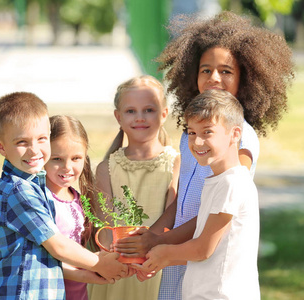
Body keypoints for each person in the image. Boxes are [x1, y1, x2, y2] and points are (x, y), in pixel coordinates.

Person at [114, 11, 294, 299]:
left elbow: (219, 207)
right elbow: (184, 195)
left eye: (226, 71)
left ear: (246, 78)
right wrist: (153, 235)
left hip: (205, 252)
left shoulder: (241, 136)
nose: (214, 77)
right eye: (205, 69)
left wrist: (162, 245)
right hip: (179, 251)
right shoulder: (192, 134)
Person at [0, 92, 128, 299]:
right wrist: (99, 263)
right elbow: (58, 245)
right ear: (1, 147)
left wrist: (98, 272)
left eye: (42, 139)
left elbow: (48, 257)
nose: (34, 150)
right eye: (22, 142)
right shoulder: (18, 190)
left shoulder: (34, 186)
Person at [138, 89, 260, 299]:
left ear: (235, 134)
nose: (197, 142)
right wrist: (158, 260)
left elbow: (202, 249)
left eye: (207, 132)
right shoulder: (218, 181)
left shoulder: (232, 183)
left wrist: (164, 253)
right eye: (192, 132)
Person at [88, 75, 180, 300]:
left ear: (164, 114)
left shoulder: (177, 162)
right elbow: (106, 227)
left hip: (157, 269)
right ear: (118, 117)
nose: (140, 118)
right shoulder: (106, 168)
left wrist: (148, 260)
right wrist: (123, 261)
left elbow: (173, 220)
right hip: (118, 270)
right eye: (131, 111)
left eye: (149, 110)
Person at [45, 115, 106, 300]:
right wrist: (90, 269)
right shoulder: (41, 200)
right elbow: (41, 259)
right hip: (48, 291)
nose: (67, 167)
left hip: (78, 293)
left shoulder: (78, 199)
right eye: (57, 158)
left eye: (76, 158)